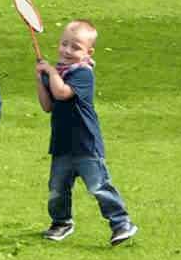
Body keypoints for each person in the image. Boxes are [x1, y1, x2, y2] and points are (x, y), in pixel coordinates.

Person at [35, 19, 136, 246]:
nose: (68, 51)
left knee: (99, 186)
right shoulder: (58, 73)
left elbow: (61, 94)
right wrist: (40, 79)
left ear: (88, 52)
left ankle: (121, 223)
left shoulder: (83, 73)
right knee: (57, 188)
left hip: (85, 145)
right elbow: (47, 105)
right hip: (62, 145)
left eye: (75, 47)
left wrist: (50, 72)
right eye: (64, 44)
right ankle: (61, 222)